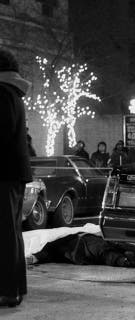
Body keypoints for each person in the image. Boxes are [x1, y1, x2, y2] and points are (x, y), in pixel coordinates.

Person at [0, 49, 32, 307]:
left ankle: (9, 290)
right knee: (11, 232)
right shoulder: (12, 93)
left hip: (3, 173)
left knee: (5, 232)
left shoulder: (2, 93)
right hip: (12, 173)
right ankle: (15, 287)